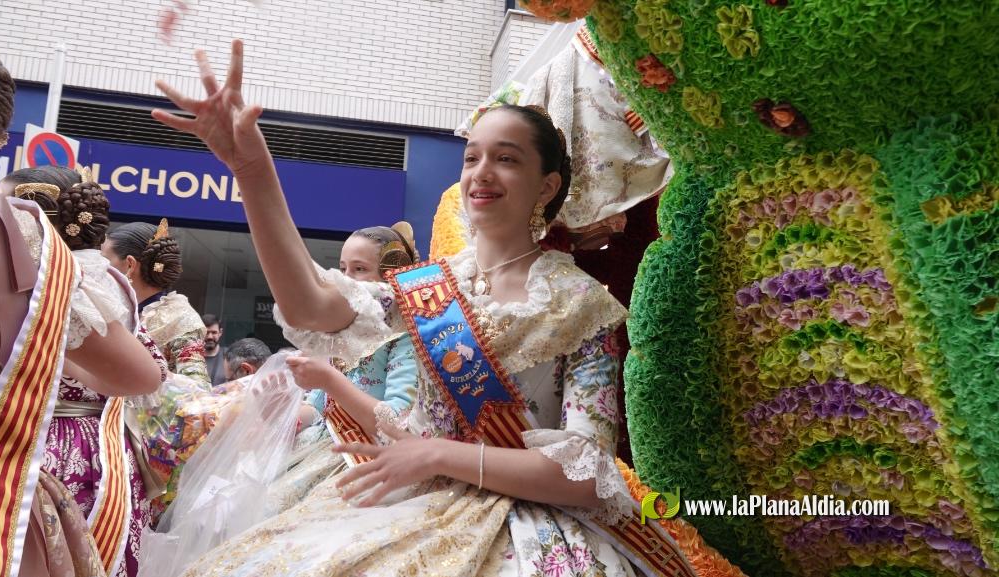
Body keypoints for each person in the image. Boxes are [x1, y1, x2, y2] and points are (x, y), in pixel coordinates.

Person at [148, 40, 696, 576]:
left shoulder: (583, 305)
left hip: (522, 525)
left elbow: (586, 474)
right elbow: (310, 307)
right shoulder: (426, 286)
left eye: (506, 159)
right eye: (472, 157)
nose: (482, 171)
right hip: (406, 498)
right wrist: (253, 170)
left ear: (547, 185)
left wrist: (436, 456)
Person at [0, 41, 162, 577]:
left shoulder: (84, 279)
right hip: (16, 453)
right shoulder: (21, 244)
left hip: (52, 442)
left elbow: (150, 375)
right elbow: (138, 374)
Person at [0, 165, 170, 577]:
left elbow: (150, 374)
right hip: (71, 438)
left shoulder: (69, 286)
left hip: (58, 446)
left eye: (2, 212)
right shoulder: (95, 281)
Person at [265, 223, 419, 515]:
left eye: (359, 269)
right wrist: (281, 411)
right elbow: (319, 409)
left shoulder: (407, 337)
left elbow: (397, 426)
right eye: (343, 269)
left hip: (367, 460)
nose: (346, 279)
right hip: (321, 450)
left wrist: (330, 380)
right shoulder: (339, 335)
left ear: (391, 274)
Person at [103, 220, 210, 386]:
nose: (100, 270)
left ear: (130, 265)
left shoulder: (180, 319)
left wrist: (150, 372)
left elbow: (197, 388)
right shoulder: (112, 309)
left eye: (105, 262)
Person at [201, 313, 227, 386]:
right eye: (206, 332)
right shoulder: (190, 357)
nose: (210, 337)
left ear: (220, 332)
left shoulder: (229, 356)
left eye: (214, 332)